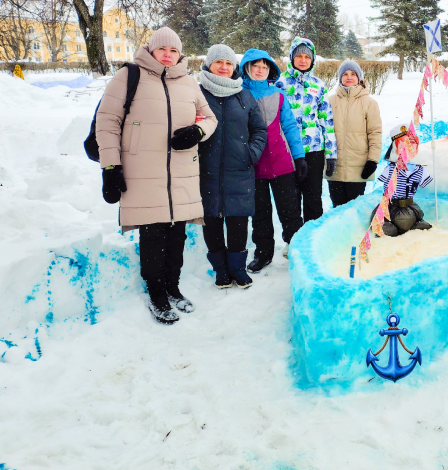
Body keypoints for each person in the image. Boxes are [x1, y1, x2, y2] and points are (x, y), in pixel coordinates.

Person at [96, 27, 218, 325]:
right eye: (162, 49)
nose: (167, 54)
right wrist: (110, 167)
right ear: (150, 50)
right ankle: (156, 293)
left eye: (173, 50)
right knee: (153, 233)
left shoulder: (189, 82)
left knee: (177, 233)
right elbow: (107, 121)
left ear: (180, 54)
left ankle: (172, 286)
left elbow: (211, 118)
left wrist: (197, 132)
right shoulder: (129, 77)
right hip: (142, 172)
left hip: (181, 172)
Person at [198, 44, 267, 289]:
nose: (224, 67)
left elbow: (259, 129)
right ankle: (221, 270)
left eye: (228, 63)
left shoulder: (244, 95)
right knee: (212, 222)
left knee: (238, 222)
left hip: (240, 170)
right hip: (207, 172)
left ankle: (238, 269)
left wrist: (251, 153)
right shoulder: (197, 94)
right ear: (209, 65)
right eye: (219, 62)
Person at [240, 48, 307, 271]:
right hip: (254, 164)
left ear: (270, 70)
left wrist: (298, 157)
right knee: (260, 213)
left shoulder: (278, 95)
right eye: (256, 66)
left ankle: (296, 250)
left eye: (264, 67)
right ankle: (263, 253)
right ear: (247, 68)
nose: (260, 70)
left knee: (290, 210)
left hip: (282, 162)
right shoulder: (240, 94)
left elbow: (289, 126)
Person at [274, 37, 336, 223]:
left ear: (312, 60)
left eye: (307, 57)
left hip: (314, 151)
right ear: (292, 57)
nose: (302, 60)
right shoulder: (279, 83)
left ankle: (311, 238)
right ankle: (293, 238)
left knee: (313, 197)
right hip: (288, 150)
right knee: (290, 198)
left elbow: (327, 120)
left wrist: (331, 153)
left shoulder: (319, 85)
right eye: (299, 55)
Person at [326, 60, 382, 207]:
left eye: (353, 74)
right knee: (337, 209)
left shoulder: (369, 103)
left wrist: (373, 160)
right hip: (335, 168)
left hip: (359, 168)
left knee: (353, 210)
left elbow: (375, 133)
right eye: (344, 74)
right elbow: (324, 132)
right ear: (340, 78)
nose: (349, 77)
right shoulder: (330, 101)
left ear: (359, 77)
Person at [375, 124, 433, 237]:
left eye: (411, 147)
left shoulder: (420, 170)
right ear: (395, 149)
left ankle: (412, 224)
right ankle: (387, 226)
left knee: (410, 218)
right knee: (395, 223)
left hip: (409, 205)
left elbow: (424, 183)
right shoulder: (390, 169)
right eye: (402, 148)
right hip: (391, 206)